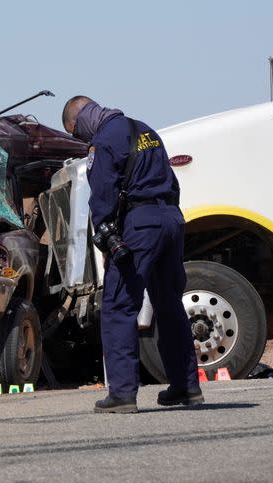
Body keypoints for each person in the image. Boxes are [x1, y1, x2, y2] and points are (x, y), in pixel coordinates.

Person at [62, 96, 203, 414]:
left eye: (75, 133)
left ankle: (123, 394)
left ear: (79, 120)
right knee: (169, 306)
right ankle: (187, 387)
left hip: (140, 226)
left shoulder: (103, 142)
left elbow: (103, 196)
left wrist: (108, 238)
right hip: (171, 219)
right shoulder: (146, 130)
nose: (81, 140)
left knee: (118, 305)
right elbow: (172, 182)